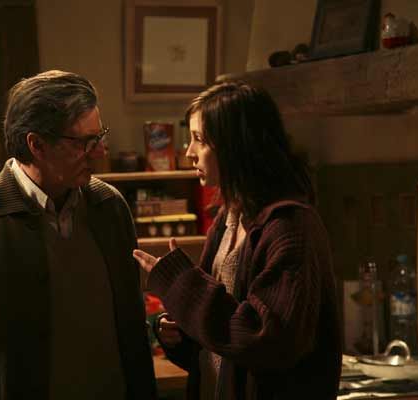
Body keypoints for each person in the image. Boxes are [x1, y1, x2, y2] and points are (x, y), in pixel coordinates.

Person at [0, 70, 157, 400]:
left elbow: (133, 332)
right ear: (37, 144)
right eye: (84, 143)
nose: (100, 152)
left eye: (99, 137)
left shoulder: (109, 208)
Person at [133, 81, 342, 400]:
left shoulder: (290, 227)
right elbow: (221, 344)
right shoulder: (227, 219)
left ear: (235, 146)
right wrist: (181, 334)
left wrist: (182, 287)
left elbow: (268, 340)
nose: (189, 153)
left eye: (199, 140)